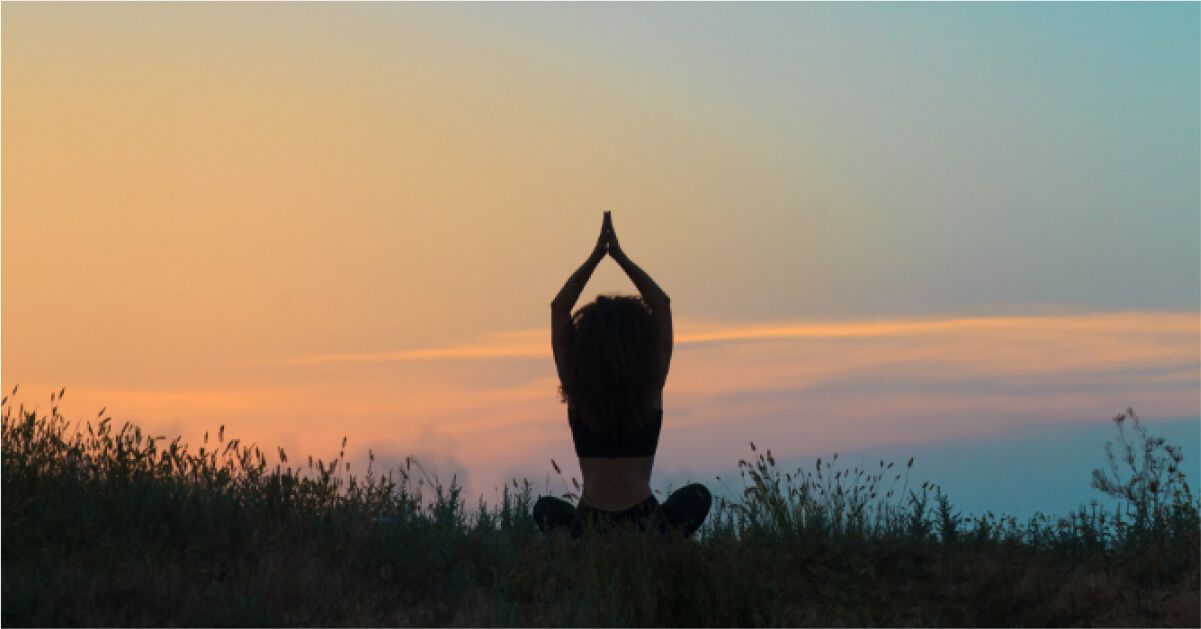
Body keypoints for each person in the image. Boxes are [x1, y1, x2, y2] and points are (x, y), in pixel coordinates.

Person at [535, 211, 711, 538]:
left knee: (545, 508)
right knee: (698, 496)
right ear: (641, 343)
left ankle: (583, 555)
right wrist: (620, 257)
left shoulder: (578, 390)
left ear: (586, 345)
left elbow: (559, 308)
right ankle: (658, 549)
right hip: (644, 521)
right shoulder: (649, 388)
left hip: (590, 524)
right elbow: (661, 305)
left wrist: (595, 258)